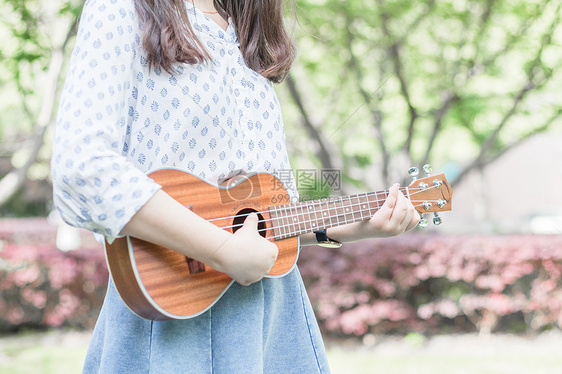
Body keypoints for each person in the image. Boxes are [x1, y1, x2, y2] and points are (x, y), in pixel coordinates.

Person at [51, 0, 420, 372]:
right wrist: (222, 250)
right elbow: (82, 167)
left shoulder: (244, 31)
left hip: (274, 321)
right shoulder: (119, 8)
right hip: (170, 313)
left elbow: (262, 219)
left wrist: (356, 226)